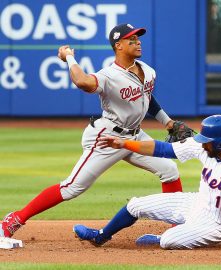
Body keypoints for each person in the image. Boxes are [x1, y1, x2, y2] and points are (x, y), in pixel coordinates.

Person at [0, 23, 183, 240]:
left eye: (138, 38)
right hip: (107, 137)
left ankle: (176, 227)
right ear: (119, 46)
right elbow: (82, 81)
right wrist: (69, 58)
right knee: (72, 187)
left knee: (170, 170)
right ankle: (14, 219)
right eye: (131, 39)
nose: (138, 42)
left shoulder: (148, 71)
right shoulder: (109, 75)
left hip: (135, 136)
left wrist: (167, 122)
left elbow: (147, 97)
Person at [73, 115, 221, 252]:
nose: (201, 143)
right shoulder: (204, 147)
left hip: (218, 224)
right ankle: (100, 236)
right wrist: (125, 143)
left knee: (168, 240)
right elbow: (163, 149)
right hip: (196, 203)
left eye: (206, 141)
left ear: (220, 143)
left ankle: (163, 238)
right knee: (135, 205)